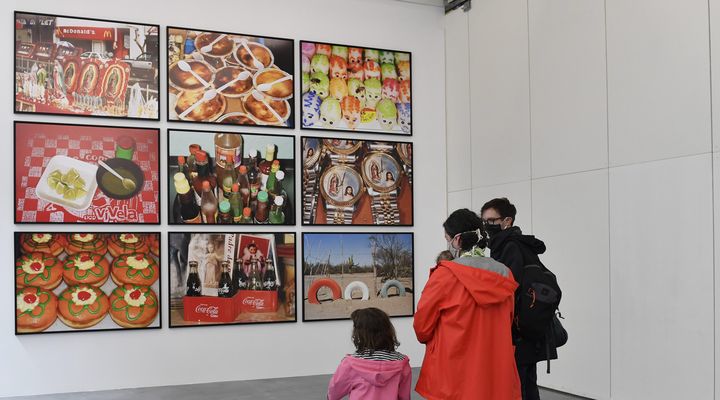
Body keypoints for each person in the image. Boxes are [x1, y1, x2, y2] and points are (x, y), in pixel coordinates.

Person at [414, 209, 520, 400]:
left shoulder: (444, 276)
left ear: (456, 240)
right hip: (494, 371)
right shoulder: (504, 273)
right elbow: (508, 320)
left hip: (453, 372)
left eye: (447, 238)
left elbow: (422, 327)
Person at [481, 197, 556, 400]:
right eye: (484, 221)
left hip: (519, 329)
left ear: (507, 221)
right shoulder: (512, 244)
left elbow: (508, 287)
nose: (487, 226)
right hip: (527, 327)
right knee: (526, 383)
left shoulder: (511, 247)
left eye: (492, 221)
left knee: (520, 386)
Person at [327, 308, 411, 400]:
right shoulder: (402, 363)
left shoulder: (350, 364)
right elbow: (404, 396)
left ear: (359, 333)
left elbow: (333, 394)